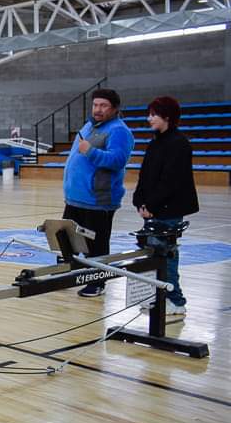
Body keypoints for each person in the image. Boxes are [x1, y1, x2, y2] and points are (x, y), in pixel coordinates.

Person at [62, 88, 134, 297]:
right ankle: (69, 274)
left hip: (98, 200)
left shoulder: (119, 131)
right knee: (67, 240)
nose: (98, 109)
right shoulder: (89, 126)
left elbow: (117, 160)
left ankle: (98, 282)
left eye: (103, 106)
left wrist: (90, 151)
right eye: (95, 105)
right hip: (75, 198)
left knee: (97, 244)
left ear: (114, 109)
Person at [132, 96, 199, 315]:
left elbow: (171, 181)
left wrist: (151, 204)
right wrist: (139, 201)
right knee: (152, 254)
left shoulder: (179, 143)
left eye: (154, 114)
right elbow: (145, 176)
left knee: (166, 255)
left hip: (168, 209)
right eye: (149, 114)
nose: (149, 118)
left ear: (167, 116)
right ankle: (157, 296)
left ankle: (175, 300)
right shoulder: (155, 143)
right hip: (152, 209)